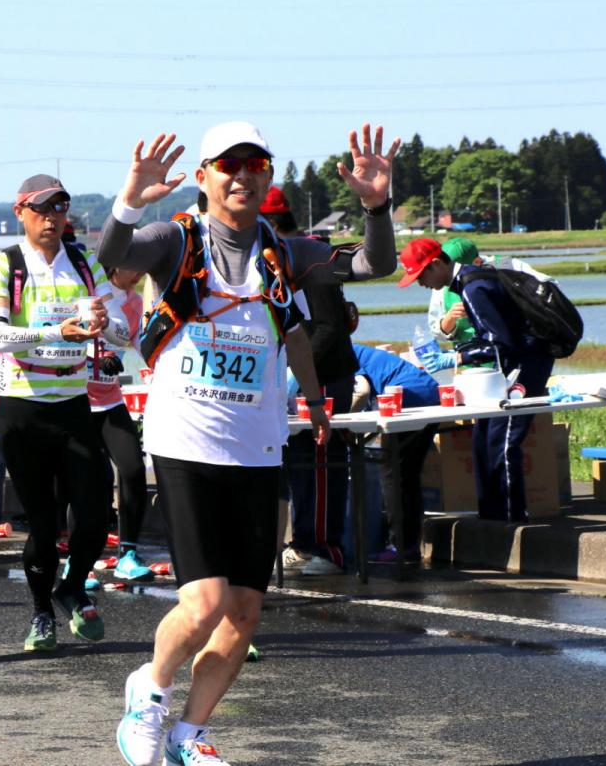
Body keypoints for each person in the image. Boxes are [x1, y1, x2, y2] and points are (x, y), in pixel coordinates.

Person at [102, 122, 396, 765]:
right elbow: (112, 258)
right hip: (186, 444)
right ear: (204, 176)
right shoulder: (174, 240)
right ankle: (148, 693)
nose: (241, 176)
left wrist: (377, 206)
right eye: (227, 166)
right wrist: (131, 196)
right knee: (204, 604)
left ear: (267, 176)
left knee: (244, 615)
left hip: (258, 451)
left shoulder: (284, 254)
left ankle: (189, 733)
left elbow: (374, 265)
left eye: (254, 164)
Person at [0, 173, 130, 653]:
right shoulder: (4, 265)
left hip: (72, 404)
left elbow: (124, 329)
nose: (51, 218)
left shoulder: (84, 263)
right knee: (43, 525)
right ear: (19, 212)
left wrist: (112, 325)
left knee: (92, 514)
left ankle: (73, 586)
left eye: (60, 209)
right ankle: (42, 612)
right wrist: (54, 335)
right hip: (22, 408)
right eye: (41, 210)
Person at [397, 237, 554, 522]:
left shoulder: (473, 287)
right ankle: (490, 516)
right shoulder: (466, 283)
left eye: (421, 276)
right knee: (483, 439)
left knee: (503, 441)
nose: (420, 283)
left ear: (436, 264)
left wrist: (456, 358)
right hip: (507, 367)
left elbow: (499, 341)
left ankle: (510, 519)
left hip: (525, 364)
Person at [263, 186, 358, 577]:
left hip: (326, 378)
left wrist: (296, 371)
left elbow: (328, 329)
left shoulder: (310, 261)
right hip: (302, 378)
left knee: (319, 465)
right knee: (300, 465)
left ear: (270, 223)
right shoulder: (278, 261)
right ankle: (303, 543)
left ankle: (324, 548)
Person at [85, 265, 152, 583]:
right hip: (78, 402)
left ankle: (127, 553)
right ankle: (78, 561)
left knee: (133, 470)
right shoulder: (87, 292)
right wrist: (92, 357)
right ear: (114, 266)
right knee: (87, 481)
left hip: (111, 400)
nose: (140, 271)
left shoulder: (135, 302)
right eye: (134, 263)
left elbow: (137, 345)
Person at [351, 344, 440, 561]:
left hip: (406, 400)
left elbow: (361, 391)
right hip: (430, 392)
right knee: (408, 472)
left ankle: (398, 545)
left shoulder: (341, 352)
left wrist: (339, 419)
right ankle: (408, 545)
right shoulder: (357, 349)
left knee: (392, 472)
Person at [428, 237, 553, 346]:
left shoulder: (505, 264)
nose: (459, 277)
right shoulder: (443, 281)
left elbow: (550, 287)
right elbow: (438, 332)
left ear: (477, 261)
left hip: (518, 348)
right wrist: (450, 317)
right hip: (470, 359)